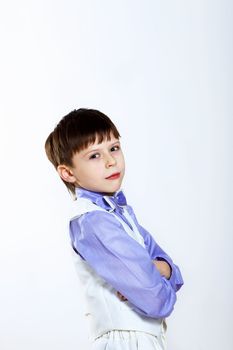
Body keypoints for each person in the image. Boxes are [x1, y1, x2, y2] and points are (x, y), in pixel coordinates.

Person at [44, 108, 184, 350]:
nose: (110, 161)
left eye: (114, 148)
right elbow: (157, 301)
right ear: (68, 173)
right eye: (94, 156)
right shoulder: (93, 222)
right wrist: (154, 274)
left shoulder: (119, 214)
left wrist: (155, 269)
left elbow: (175, 273)